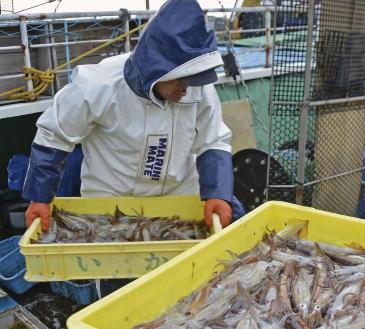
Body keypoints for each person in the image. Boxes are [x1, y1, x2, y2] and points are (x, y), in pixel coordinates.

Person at [22, 0, 245, 233]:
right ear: (157, 68)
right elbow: (55, 136)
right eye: (181, 79)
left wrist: (218, 193)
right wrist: (39, 197)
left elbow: (213, 141)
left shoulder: (198, 87)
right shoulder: (98, 84)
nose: (187, 88)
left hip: (179, 204)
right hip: (110, 208)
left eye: (194, 80)